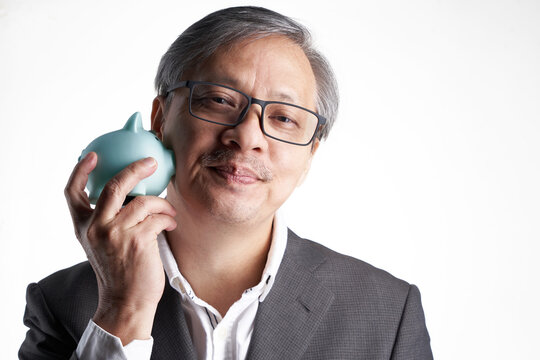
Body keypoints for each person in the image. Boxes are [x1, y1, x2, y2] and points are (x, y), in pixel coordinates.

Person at [19, 6, 433, 360]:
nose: (248, 138)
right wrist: (123, 309)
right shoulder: (61, 304)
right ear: (160, 120)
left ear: (310, 154)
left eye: (284, 118)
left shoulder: (386, 313)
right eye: (219, 100)